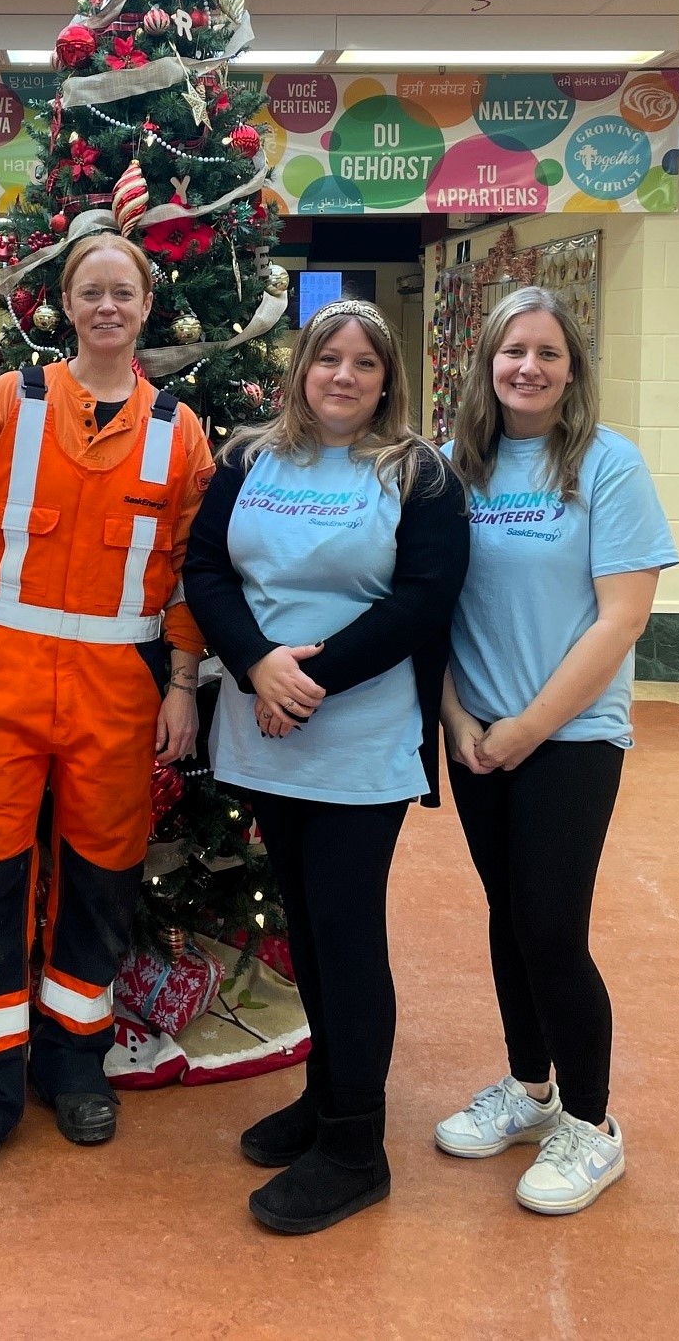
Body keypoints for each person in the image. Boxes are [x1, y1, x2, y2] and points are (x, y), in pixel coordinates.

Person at [0, 232, 214, 1191]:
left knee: (98, 883)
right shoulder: (6, 403)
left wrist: (180, 683)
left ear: (144, 305)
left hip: (118, 693)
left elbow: (188, 571)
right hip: (1, 673)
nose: (106, 307)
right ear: (64, 304)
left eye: (121, 293)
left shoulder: (182, 431)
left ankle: (73, 1062)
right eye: (89, 292)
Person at [184, 298, 468, 1235]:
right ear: (301, 367)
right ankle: (323, 1098)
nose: (343, 376)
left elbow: (423, 601)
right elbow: (207, 573)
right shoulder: (247, 459)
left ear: (388, 379)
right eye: (327, 359)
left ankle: (355, 1147)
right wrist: (258, 663)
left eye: (364, 363)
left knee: (345, 935)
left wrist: (306, 681)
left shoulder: (417, 474)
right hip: (266, 730)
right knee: (304, 929)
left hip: (357, 742)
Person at [436, 286, 677, 1216]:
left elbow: (622, 618)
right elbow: (437, 606)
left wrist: (526, 728)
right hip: (476, 734)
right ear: (485, 363)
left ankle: (591, 1124)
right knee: (507, 916)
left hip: (568, 738)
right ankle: (529, 1091)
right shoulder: (457, 465)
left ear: (571, 368)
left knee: (548, 927)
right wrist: (458, 721)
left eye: (545, 352)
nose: (526, 368)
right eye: (510, 351)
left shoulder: (606, 465)